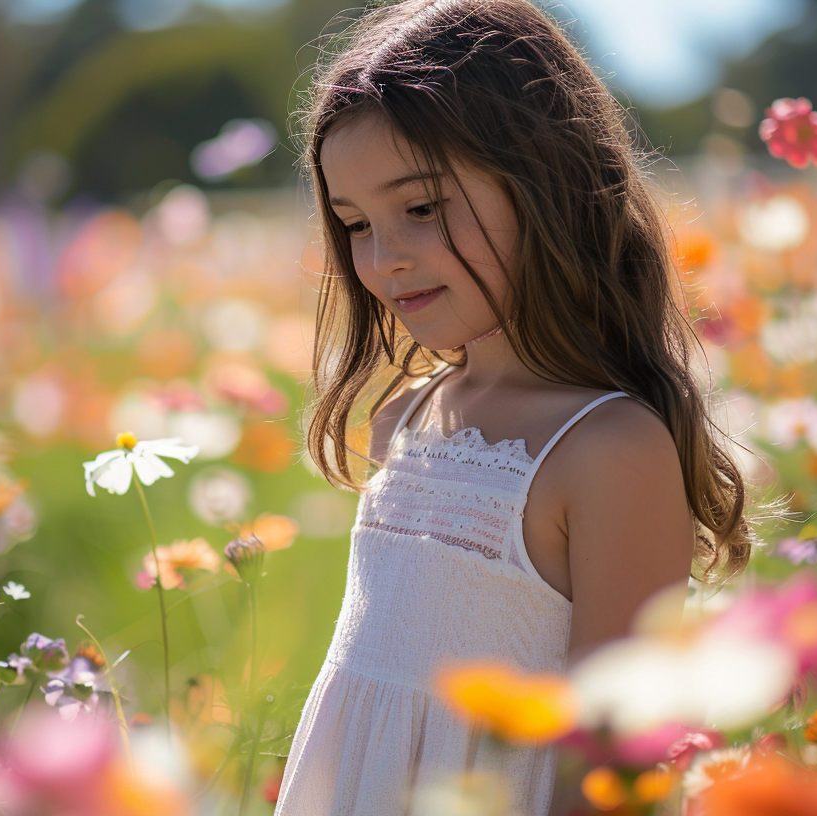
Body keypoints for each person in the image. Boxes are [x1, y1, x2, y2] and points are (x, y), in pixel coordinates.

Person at [274, 1, 759, 814]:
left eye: (421, 208)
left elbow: (618, 769)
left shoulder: (609, 450)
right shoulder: (407, 420)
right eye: (356, 224)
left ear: (546, 179)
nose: (385, 258)